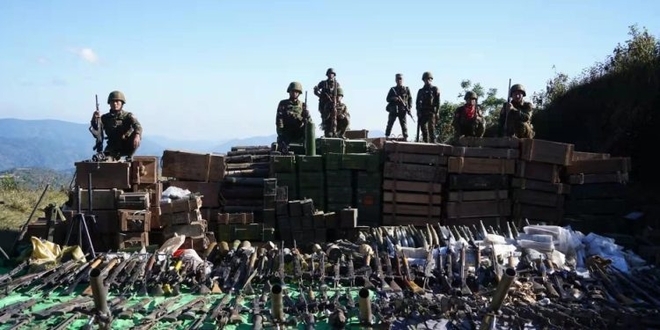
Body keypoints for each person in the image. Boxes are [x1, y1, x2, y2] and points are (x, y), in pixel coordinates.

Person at [90, 90, 142, 161]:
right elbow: (96, 130)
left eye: (117, 101)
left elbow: (137, 125)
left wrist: (137, 135)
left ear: (122, 103)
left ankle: (129, 156)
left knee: (135, 134)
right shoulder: (105, 118)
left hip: (126, 147)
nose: (115, 104)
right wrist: (94, 119)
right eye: (112, 101)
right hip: (111, 148)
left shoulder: (128, 116)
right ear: (109, 103)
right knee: (101, 162)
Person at [276, 82, 311, 153]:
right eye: (293, 91)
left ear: (299, 93)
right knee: (283, 147)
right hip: (287, 130)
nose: (294, 93)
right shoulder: (283, 103)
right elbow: (279, 119)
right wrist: (280, 133)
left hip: (299, 131)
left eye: (296, 92)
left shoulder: (303, 105)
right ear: (289, 92)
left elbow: (309, 121)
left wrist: (307, 116)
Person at [385, 73, 413, 140]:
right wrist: (393, 98)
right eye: (397, 79)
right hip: (393, 110)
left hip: (402, 110)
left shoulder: (406, 89)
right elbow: (387, 99)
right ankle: (387, 136)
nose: (399, 80)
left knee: (404, 124)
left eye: (400, 78)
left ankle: (405, 137)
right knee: (390, 123)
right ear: (395, 80)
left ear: (403, 80)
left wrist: (409, 108)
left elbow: (410, 99)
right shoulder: (392, 89)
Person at [314, 68, 341, 137]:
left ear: (334, 75)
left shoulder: (337, 84)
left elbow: (340, 94)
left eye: (332, 74)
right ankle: (327, 132)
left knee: (334, 117)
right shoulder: (323, 83)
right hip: (324, 104)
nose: (330, 75)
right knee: (325, 119)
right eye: (329, 73)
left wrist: (337, 101)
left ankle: (334, 132)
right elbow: (316, 90)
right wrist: (321, 96)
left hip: (333, 103)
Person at [415, 71, 440, 143]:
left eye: (429, 79)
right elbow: (417, 102)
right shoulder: (421, 91)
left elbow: (438, 102)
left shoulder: (435, 89)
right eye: (426, 79)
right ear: (423, 80)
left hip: (431, 111)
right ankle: (426, 142)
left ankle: (433, 142)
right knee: (423, 127)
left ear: (431, 79)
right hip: (423, 111)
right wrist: (418, 111)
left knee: (431, 127)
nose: (428, 80)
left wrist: (437, 112)